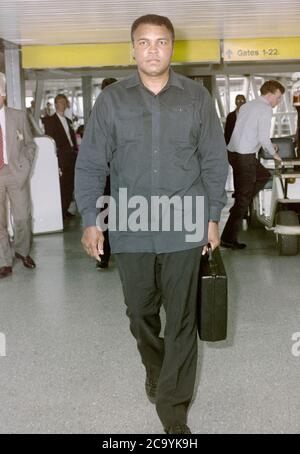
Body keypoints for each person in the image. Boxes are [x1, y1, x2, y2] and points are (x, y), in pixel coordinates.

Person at [75, 14, 228, 434]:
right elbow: (90, 164)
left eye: (161, 42)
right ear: (133, 48)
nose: (153, 49)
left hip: (186, 225)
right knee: (140, 314)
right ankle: (155, 366)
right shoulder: (111, 101)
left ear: (172, 48)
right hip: (132, 226)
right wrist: (91, 220)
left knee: (182, 319)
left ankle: (173, 411)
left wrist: (212, 217)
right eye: (144, 42)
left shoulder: (197, 98)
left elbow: (215, 162)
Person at [221, 80, 284, 249]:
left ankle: (244, 197)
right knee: (243, 200)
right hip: (244, 156)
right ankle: (228, 238)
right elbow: (262, 138)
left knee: (263, 175)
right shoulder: (265, 109)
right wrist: (275, 154)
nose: (278, 102)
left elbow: (249, 131)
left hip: (233, 153)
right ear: (269, 94)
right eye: (278, 98)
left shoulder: (248, 106)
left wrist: (270, 145)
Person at [0, 72, 37, 279]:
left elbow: (30, 144)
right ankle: (4, 261)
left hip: (15, 172)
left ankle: (22, 252)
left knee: (22, 217)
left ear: (2, 95)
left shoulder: (18, 115)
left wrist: (26, 166)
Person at [44, 94, 78, 220]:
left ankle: (65, 209)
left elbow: (72, 139)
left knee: (70, 185)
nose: (63, 105)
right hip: (61, 159)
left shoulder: (69, 121)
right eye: (60, 102)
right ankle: (60, 212)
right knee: (61, 186)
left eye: (64, 102)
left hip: (72, 157)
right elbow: (50, 141)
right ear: (55, 104)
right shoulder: (49, 121)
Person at [96, 78, 117, 270]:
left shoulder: (128, 112)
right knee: (106, 216)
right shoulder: (97, 114)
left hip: (123, 173)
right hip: (106, 174)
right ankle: (103, 254)